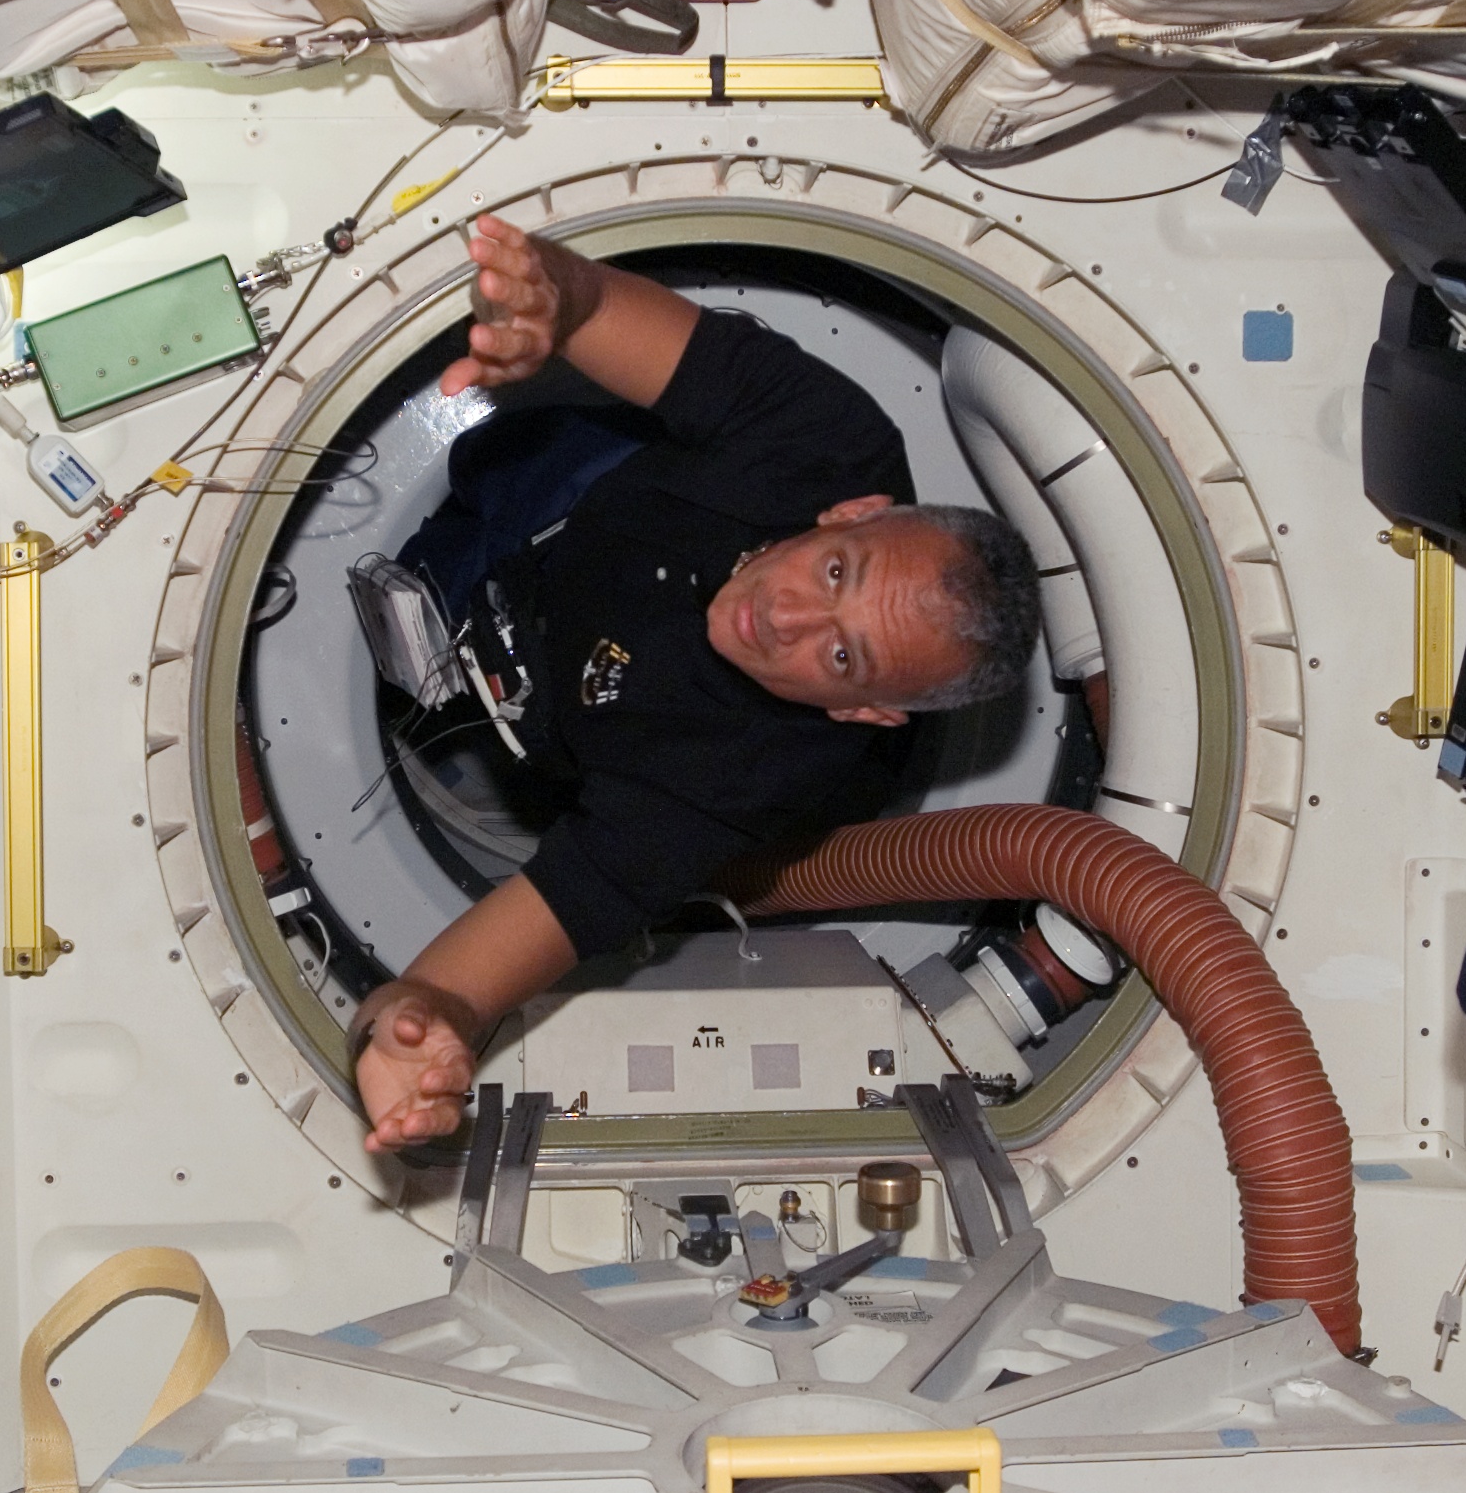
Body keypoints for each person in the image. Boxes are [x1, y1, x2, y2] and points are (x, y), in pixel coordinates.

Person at [350, 216, 1042, 1151]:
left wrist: (418, 1021)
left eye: (842, 658)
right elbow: (601, 307)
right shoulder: (827, 441)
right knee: (504, 464)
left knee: (452, 612)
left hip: (547, 689)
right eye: (837, 572)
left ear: (861, 710)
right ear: (853, 511)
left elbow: (493, 961)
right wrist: (556, 293)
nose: (787, 618)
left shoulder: (727, 785)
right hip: (585, 506)